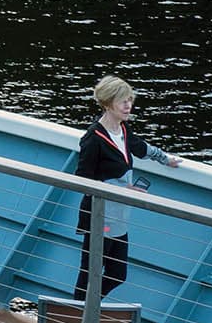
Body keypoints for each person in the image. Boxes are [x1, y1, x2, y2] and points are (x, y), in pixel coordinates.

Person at [75, 76, 184, 299]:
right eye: (122, 101)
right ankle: (75, 320)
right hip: (99, 217)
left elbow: (140, 148)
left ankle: (87, 310)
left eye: (130, 100)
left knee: (117, 274)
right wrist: (123, 191)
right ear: (107, 103)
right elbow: (83, 181)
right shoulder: (93, 138)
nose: (128, 106)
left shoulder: (123, 130)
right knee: (89, 274)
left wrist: (166, 159)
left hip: (119, 217)